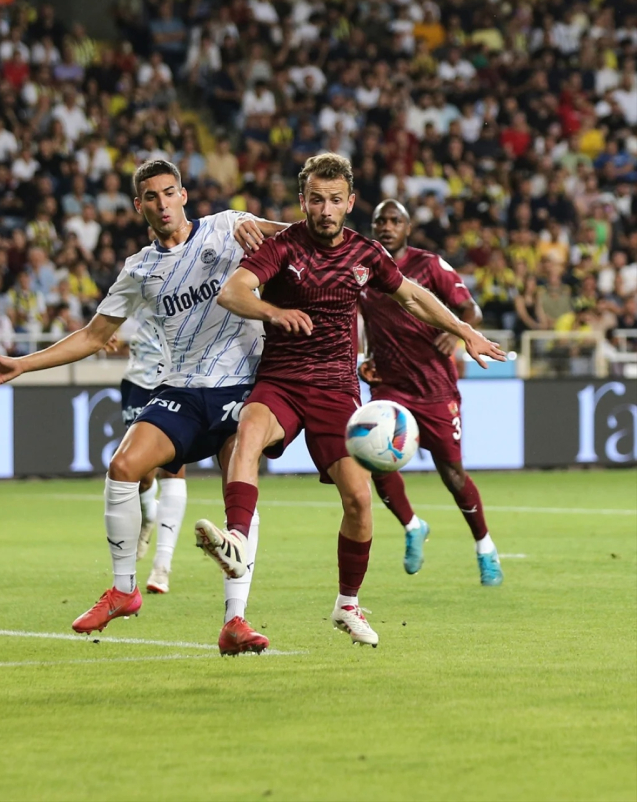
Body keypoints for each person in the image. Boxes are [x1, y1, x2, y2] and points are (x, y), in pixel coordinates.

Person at [0, 160, 286, 656]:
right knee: (122, 467)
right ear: (139, 206)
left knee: (238, 496)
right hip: (181, 390)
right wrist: (22, 364)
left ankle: (235, 621)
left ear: (184, 195)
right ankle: (124, 589)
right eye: (151, 197)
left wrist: (271, 232)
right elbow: (92, 336)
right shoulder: (139, 269)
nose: (162, 204)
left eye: (169, 192)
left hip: (241, 386)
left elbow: (304, 239)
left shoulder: (227, 227)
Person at [197, 154, 505, 648]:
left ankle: (347, 604)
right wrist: (274, 312)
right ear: (303, 202)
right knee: (247, 432)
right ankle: (235, 540)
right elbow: (233, 292)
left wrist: (465, 331)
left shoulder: (366, 254)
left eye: (335, 200)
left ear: (350, 202)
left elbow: (412, 296)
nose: (325, 210)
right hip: (281, 380)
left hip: (337, 391)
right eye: (316, 200)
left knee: (360, 501)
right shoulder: (283, 245)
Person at [358, 200, 504, 586]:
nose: (387, 226)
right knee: (375, 459)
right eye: (381, 220)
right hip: (389, 385)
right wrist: (364, 357)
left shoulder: (430, 265)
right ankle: (412, 525)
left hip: (435, 387)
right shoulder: (362, 269)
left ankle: (485, 547)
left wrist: (455, 334)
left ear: (408, 228)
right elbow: (361, 322)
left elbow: (471, 310)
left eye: (395, 220)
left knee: (452, 474)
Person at [117, 303, 187, 595]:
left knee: (174, 466)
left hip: (179, 378)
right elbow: (116, 306)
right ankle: (148, 516)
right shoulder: (140, 277)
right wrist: (108, 330)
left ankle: (162, 566)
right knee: (142, 475)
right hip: (139, 380)